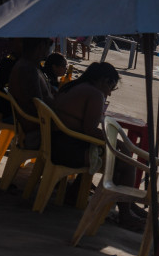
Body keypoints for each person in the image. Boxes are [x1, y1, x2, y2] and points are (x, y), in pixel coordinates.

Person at [54, 62, 144, 230]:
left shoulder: (73, 86)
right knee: (125, 164)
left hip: (56, 141)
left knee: (112, 154)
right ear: (104, 80)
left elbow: (81, 127)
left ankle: (76, 192)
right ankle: (125, 214)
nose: (109, 93)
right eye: (111, 87)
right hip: (67, 150)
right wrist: (118, 144)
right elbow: (88, 129)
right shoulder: (94, 94)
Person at [9, 38, 55, 149]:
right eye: (49, 45)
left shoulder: (30, 66)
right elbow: (38, 108)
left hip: (40, 127)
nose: (49, 50)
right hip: (38, 133)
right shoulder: (28, 70)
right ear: (41, 46)